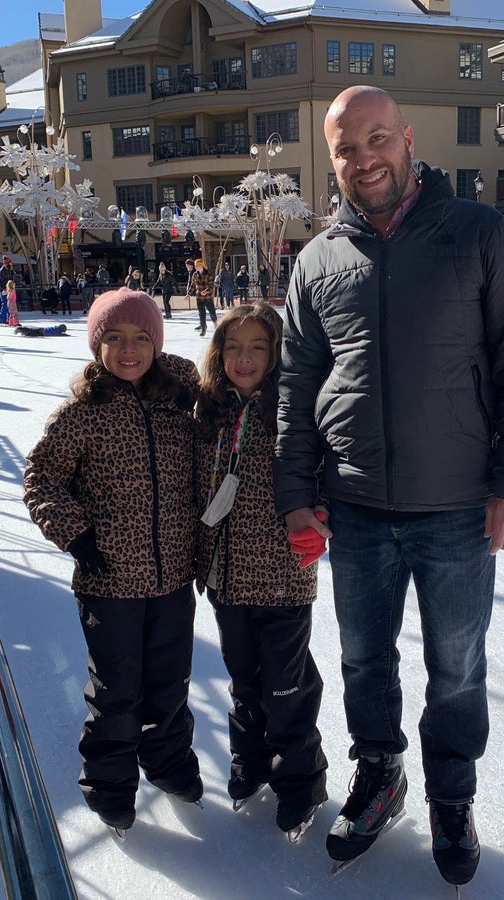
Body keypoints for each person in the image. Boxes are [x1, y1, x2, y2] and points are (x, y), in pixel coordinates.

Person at [274, 86, 504, 888]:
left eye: (376, 139)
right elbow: (297, 390)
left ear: (405, 137)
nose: (364, 159)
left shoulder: (478, 234)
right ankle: (381, 774)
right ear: (332, 161)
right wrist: (296, 493)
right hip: (356, 509)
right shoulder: (318, 260)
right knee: (364, 662)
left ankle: (453, 797)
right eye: (346, 148)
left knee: (457, 666)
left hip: (459, 512)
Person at [23, 288, 203, 833]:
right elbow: (41, 479)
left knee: (171, 683)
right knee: (118, 689)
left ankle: (168, 761)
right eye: (115, 339)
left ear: (157, 342)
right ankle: (109, 784)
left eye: (142, 338)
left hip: (173, 575)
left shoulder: (179, 403)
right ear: (97, 344)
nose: (130, 350)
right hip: (108, 579)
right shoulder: (82, 414)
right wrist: (78, 538)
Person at [193, 303, 329, 839]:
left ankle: (300, 782)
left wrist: (320, 515)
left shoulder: (296, 410)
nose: (244, 358)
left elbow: (326, 472)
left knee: (285, 687)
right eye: (233, 347)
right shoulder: (208, 413)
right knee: (245, 681)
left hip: (282, 576)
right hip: (226, 579)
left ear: (276, 353)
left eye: (257, 347)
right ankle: (249, 762)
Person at [186, 257, 216, 336]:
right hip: (199, 297)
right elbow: (193, 285)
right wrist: (188, 294)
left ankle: (217, 326)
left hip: (207, 298)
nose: (196, 267)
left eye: (197, 265)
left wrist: (206, 291)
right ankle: (203, 329)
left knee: (212, 312)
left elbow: (211, 286)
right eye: (195, 266)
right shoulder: (195, 274)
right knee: (201, 314)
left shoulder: (208, 274)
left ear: (201, 265)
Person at [0, 255, 14, 325]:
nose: (11, 264)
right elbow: (0, 282)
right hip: (3, 290)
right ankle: (2, 319)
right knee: (5, 305)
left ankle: (10, 319)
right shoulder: (2, 270)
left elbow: (11, 279)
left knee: (10, 305)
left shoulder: (10, 270)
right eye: (10, 263)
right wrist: (3, 289)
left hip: (9, 289)